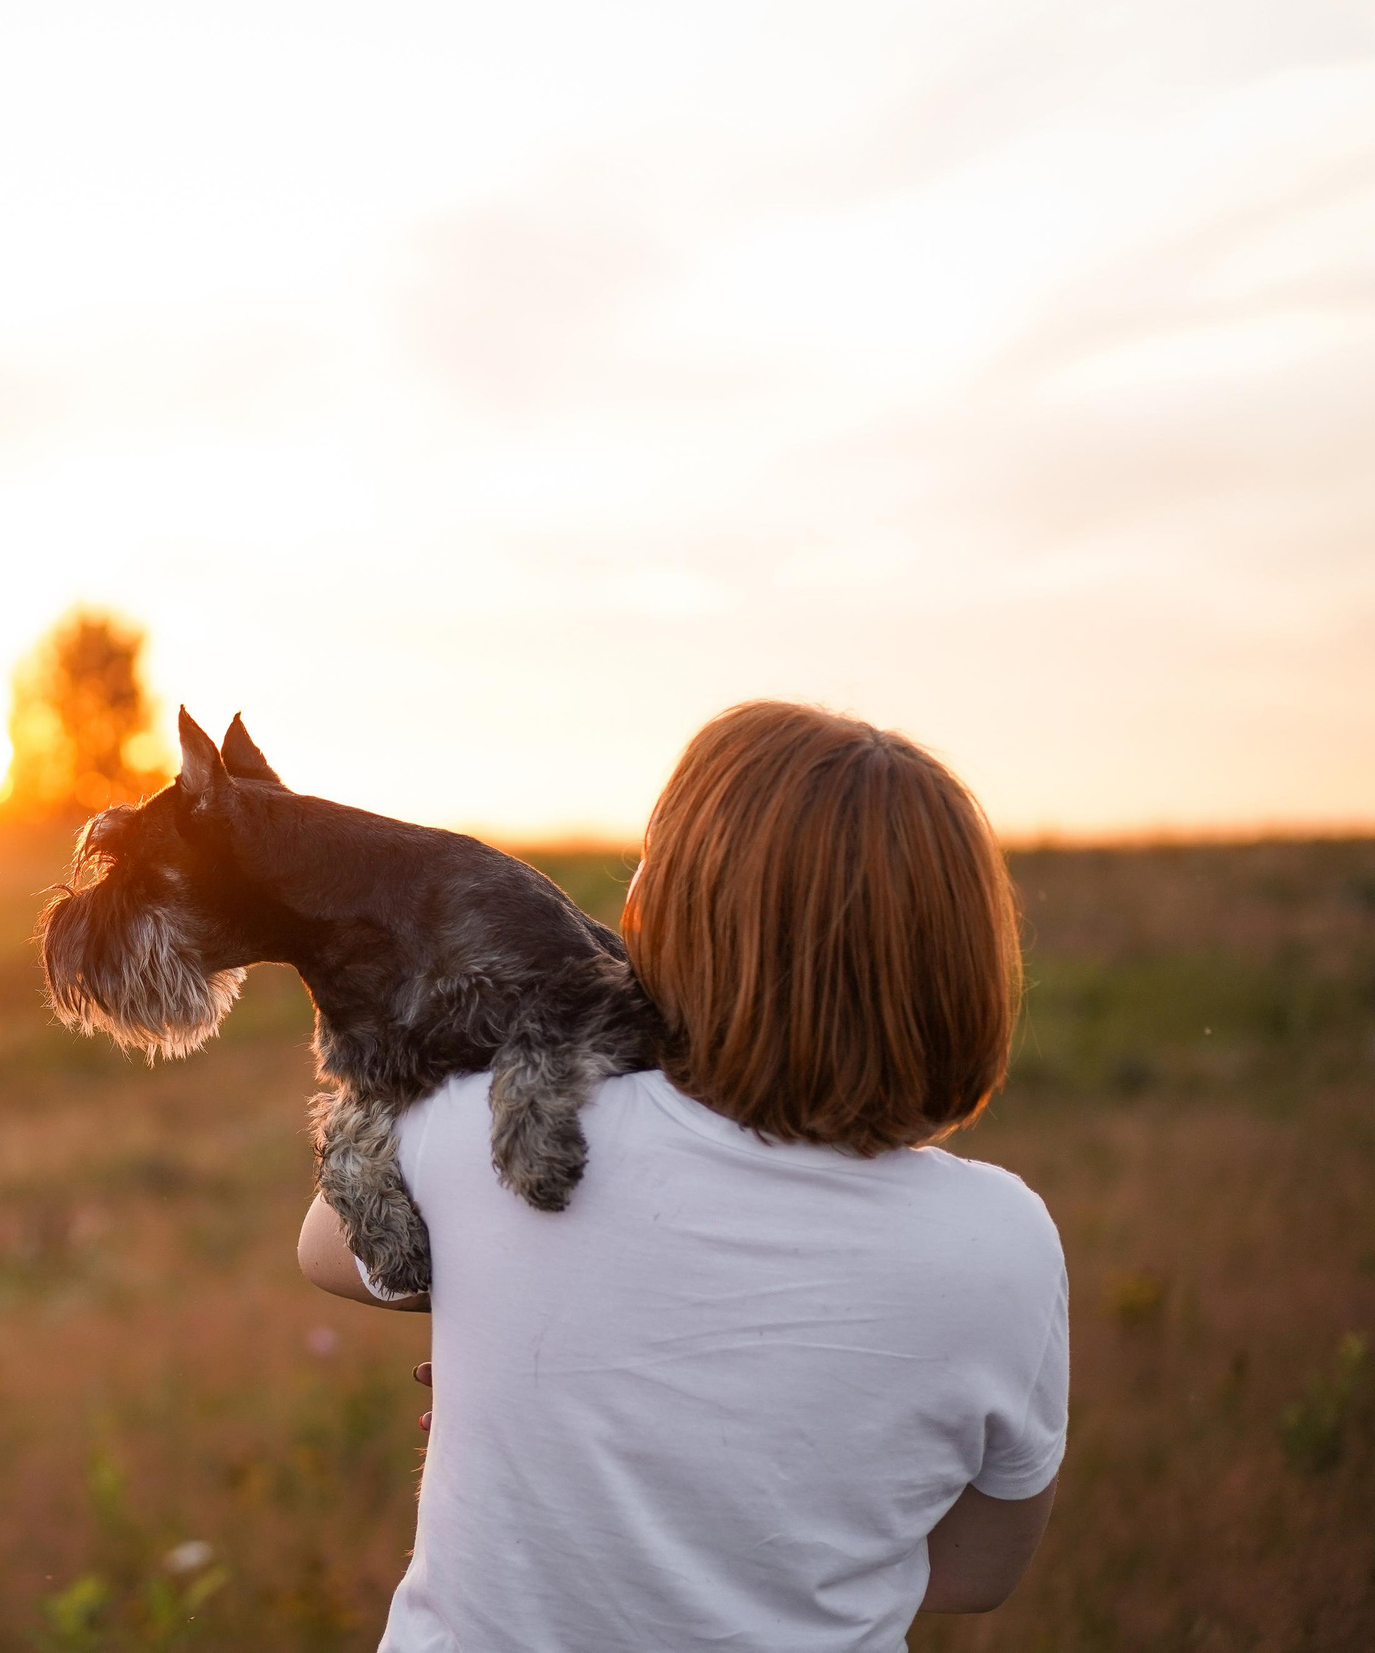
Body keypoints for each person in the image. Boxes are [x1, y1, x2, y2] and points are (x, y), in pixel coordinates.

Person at [297, 700, 1068, 1651]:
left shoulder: (486, 1133)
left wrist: (527, 1363)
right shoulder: (1003, 1243)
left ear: (671, 921)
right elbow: (976, 1574)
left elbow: (328, 1247)